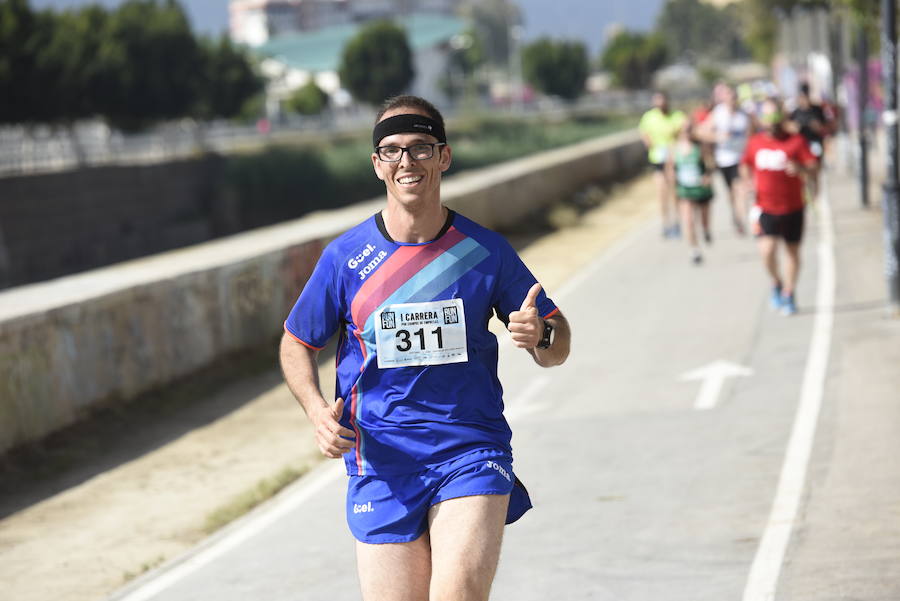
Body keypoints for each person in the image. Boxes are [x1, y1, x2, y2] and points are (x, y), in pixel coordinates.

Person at [279, 95, 571, 601]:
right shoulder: (346, 258)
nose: (406, 162)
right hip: (381, 462)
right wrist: (316, 412)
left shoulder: (485, 251)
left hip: (469, 450)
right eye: (391, 151)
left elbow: (556, 340)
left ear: (444, 157)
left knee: (456, 594)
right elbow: (295, 342)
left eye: (419, 148)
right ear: (377, 165)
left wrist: (538, 334)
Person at [740, 97, 818, 316]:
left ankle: (789, 292)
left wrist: (801, 169)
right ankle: (776, 281)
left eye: (775, 115)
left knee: (792, 252)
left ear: (782, 117)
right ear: (761, 119)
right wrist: (747, 183)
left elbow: (813, 166)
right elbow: (745, 164)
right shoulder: (755, 142)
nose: (771, 121)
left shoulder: (796, 141)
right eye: (766, 116)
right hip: (765, 207)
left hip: (793, 207)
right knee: (766, 250)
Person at [701, 83, 753, 235]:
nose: (732, 100)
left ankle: (743, 219)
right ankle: (736, 216)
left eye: (734, 97)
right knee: (731, 193)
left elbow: (750, 135)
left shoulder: (743, 115)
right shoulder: (718, 114)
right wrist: (718, 137)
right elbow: (702, 132)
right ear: (724, 99)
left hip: (741, 158)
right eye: (729, 97)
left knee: (740, 189)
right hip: (724, 159)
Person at [639, 91, 687, 238]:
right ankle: (665, 224)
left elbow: (684, 132)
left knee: (675, 193)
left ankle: (678, 222)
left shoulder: (676, 116)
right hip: (658, 159)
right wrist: (649, 142)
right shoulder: (649, 117)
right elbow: (644, 133)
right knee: (662, 193)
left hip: (674, 160)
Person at [669, 121, 714, 265]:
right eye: (684, 130)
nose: (687, 133)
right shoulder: (674, 149)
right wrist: (673, 185)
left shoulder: (699, 147)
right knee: (688, 221)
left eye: (689, 130)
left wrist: (707, 176)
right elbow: (670, 170)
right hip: (685, 189)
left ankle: (706, 230)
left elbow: (710, 163)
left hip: (701, 189)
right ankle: (694, 250)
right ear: (679, 132)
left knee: (703, 219)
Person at [788, 83, 827, 201]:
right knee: (803, 171)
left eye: (805, 97)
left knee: (815, 171)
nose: (803, 100)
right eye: (801, 97)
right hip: (801, 146)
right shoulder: (795, 112)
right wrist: (795, 127)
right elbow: (789, 127)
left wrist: (816, 126)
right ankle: (806, 193)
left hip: (815, 143)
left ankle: (815, 195)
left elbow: (825, 127)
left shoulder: (817, 109)